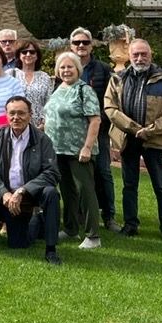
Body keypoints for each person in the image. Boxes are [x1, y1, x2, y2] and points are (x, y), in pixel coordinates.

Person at [104, 38, 162, 242]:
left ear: (150, 55)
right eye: (135, 54)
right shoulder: (118, 78)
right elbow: (110, 108)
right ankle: (130, 225)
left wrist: (149, 131)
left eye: (143, 54)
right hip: (128, 139)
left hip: (154, 140)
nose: (139, 58)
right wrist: (134, 129)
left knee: (160, 185)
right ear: (129, 56)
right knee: (129, 185)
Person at [0, 96, 63, 264]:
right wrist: (3, 193)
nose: (16, 117)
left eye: (21, 113)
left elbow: (52, 172)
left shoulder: (42, 139)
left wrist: (24, 190)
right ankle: (38, 220)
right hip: (9, 196)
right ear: (6, 115)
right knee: (18, 244)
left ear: (30, 115)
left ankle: (51, 250)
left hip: (32, 192)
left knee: (51, 193)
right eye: (12, 113)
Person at [45, 52, 102, 249]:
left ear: (78, 69)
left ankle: (93, 236)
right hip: (57, 150)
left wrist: (87, 147)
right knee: (68, 191)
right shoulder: (58, 88)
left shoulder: (84, 90)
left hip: (79, 151)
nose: (66, 70)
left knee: (85, 191)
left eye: (70, 67)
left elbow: (95, 120)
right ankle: (70, 229)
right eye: (62, 67)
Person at [71, 27, 118, 232]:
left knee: (103, 172)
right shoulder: (66, 67)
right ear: (71, 46)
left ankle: (109, 216)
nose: (81, 46)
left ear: (91, 45)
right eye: (77, 43)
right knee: (78, 174)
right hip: (73, 130)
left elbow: (112, 98)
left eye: (85, 42)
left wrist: (101, 120)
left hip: (98, 128)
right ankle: (80, 215)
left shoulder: (103, 69)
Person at [13, 39, 53, 128]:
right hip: (17, 125)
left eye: (32, 52)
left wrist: (44, 123)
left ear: (37, 55)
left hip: (39, 127)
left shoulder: (45, 77)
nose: (28, 55)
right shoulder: (11, 74)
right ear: (19, 55)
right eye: (24, 52)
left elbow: (49, 103)